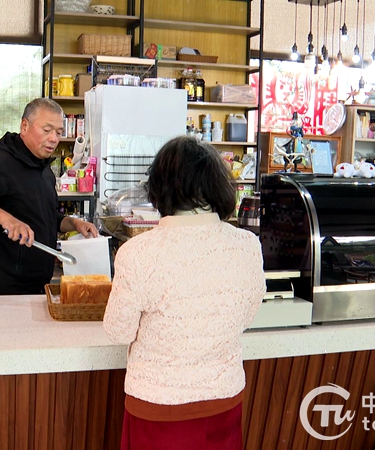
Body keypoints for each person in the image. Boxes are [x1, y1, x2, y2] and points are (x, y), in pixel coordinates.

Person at [103, 136, 266, 450]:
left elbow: (118, 331)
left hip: (158, 405)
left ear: (159, 187)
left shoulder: (138, 252)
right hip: (223, 399)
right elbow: (246, 315)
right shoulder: (247, 244)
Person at [0, 98, 98, 295]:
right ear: (25, 126)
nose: (54, 138)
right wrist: (6, 218)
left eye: (59, 132)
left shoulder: (44, 171)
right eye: (47, 130)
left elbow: (44, 216)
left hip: (38, 284)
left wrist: (73, 223)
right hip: (3, 288)